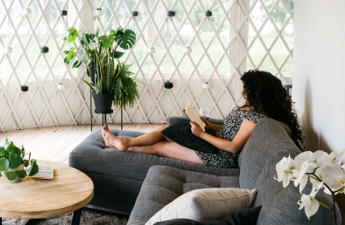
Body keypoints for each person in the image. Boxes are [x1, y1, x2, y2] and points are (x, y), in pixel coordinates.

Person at [101, 70, 304, 168]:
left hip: (217, 156)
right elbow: (230, 128)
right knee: (166, 129)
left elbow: (233, 147)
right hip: (214, 145)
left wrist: (201, 134)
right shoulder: (254, 110)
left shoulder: (257, 117)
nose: (242, 92)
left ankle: (121, 145)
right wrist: (208, 125)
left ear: (258, 92)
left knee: (161, 147)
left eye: (247, 89)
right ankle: (124, 142)